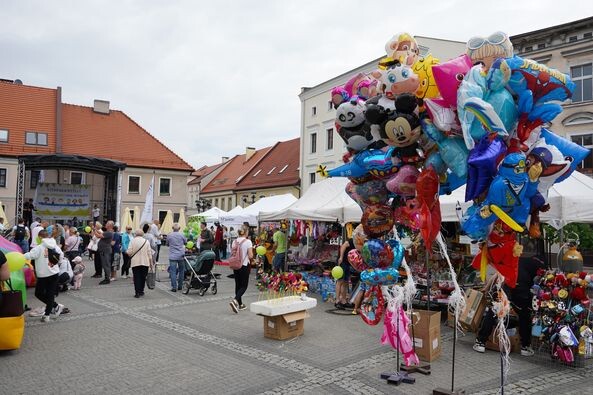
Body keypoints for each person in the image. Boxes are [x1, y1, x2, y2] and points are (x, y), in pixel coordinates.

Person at [473, 256, 546, 357]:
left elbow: (498, 275)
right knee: (524, 314)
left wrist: (489, 289)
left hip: (507, 282)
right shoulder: (540, 266)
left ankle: (480, 342)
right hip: (522, 286)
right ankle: (525, 347)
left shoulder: (517, 260)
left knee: (495, 309)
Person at [24, 229, 64, 322]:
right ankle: (54, 308)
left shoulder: (39, 248)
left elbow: (30, 255)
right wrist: (56, 264)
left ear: (40, 237)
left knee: (39, 293)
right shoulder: (55, 246)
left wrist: (20, 255)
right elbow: (61, 255)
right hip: (54, 273)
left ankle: (48, 314)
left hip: (43, 274)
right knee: (50, 294)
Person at [229, 228, 254, 313]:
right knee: (244, 286)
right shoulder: (248, 242)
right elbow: (250, 256)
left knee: (238, 284)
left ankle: (240, 304)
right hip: (244, 265)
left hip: (235, 264)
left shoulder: (234, 241)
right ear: (246, 233)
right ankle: (235, 300)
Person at [127, 229, 153, 298]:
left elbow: (129, 252)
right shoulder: (146, 241)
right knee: (143, 277)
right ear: (142, 234)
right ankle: (141, 291)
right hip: (145, 262)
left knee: (136, 277)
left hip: (135, 262)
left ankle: (137, 292)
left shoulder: (132, 241)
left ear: (135, 234)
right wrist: (151, 263)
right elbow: (149, 253)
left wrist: (129, 253)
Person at [167, 223, 187, 292]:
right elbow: (185, 242)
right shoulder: (182, 235)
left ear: (172, 228)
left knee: (173, 271)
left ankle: (174, 287)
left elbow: (167, 244)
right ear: (179, 228)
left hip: (172, 256)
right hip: (181, 255)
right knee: (181, 271)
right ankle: (180, 286)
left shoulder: (169, 235)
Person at [335, 238, 355, 309]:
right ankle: (337, 301)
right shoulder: (353, 240)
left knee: (345, 282)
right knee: (340, 280)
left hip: (347, 263)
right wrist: (341, 257)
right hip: (342, 262)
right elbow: (343, 246)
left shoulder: (360, 243)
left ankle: (343, 301)